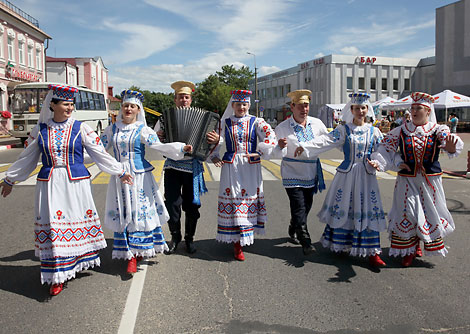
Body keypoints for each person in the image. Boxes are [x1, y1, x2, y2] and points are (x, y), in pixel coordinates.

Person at [0, 84, 133, 296]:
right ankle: (56, 274)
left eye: (72, 104)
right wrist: (10, 179)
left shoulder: (81, 128)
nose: (70, 107)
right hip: (50, 184)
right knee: (54, 227)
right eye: (65, 104)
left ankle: (73, 263)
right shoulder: (41, 131)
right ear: (52, 105)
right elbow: (27, 158)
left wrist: (119, 171)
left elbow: (100, 153)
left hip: (75, 184)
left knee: (72, 224)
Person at [101, 90, 192, 274]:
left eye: (132, 106)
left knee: (138, 212)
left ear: (138, 110)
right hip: (119, 176)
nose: (128, 109)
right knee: (124, 211)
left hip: (140, 177)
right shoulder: (112, 129)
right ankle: (128, 251)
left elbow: (158, 146)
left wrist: (180, 147)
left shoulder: (143, 130)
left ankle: (136, 255)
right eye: (126, 105)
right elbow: (99, 150)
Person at [294, 93, 387, 267]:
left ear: (368, 110)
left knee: (367, 208)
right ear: (351, 110)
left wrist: (378, 162)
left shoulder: (375, 132)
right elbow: (326, 140)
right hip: (347, 176)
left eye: (363, 108)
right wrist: (305, 146)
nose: (360, 111)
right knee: (345, 205)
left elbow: (383, 152)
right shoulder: (344, 130)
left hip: (367, 177)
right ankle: (341, 244)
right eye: (356, 108)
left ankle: (373, 251)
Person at [372, 92, 463, 267]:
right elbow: (386, 148)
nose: (414, 111)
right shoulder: (402, 129)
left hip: (430, 181)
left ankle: (419, 244)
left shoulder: (438, 129)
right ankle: (409, 250)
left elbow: (449, 142)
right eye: (412, 108)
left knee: (428, 214)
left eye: (418, 108)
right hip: (407, 180)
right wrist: (390, 162)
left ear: (427, 111)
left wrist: (452, 147)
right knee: (409, 213)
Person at [209, 90, 276, 261]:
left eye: (244, 104)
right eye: (238, 104)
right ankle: (237, 243)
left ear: (249, 105)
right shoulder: (225, 122)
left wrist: (259, 151)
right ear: (232, 106)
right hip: (231, 166)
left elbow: (271, 136)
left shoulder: (256, 121)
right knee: (233, 200)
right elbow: (216, 139)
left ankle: (243, 237)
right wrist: (215, 155)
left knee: (248, 200)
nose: (241, 107)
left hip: (250, 166)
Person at [154, 81, 218, 254]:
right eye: (180, 97)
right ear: (175, 99)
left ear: (191, 99)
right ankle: (175, 237)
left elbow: (211, 143)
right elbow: (155, 142)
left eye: (186, 97)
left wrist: (216, 140)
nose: (183, 100)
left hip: (192, 167)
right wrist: (159, 137)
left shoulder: (206, 119)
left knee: (191, 205)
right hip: (172, 167)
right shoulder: (164, 118)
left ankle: (190, 238)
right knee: (172, 203)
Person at [273, 89, 329, 255]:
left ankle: (294, 225)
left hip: (311, 172)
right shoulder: (283, 127)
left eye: (306, 106)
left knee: (306, 206)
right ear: (292, 106)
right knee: (298, 206)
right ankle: (306, 241)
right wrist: (280, 146)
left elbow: (328, 141)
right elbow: (274, 152)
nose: (304, 109)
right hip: (292, 172)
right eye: (300, 106)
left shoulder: (317, 124)